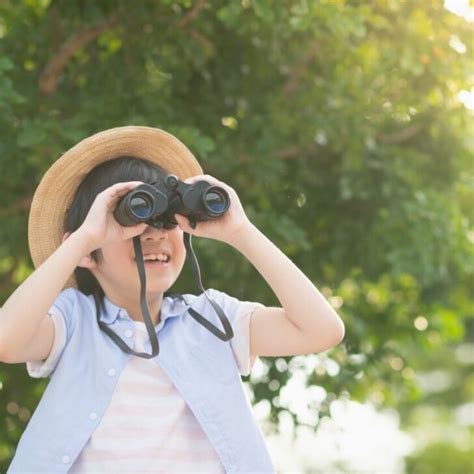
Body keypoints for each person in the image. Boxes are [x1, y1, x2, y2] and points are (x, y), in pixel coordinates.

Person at [1, 126, 345, 473]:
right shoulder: (73, 322)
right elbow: (6, 340)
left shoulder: (212, 320)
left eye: (165, 219)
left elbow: (321, 331)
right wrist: (85, 236)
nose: (153, 235)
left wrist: (239, 231)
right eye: (133, 220)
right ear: (88, 252)